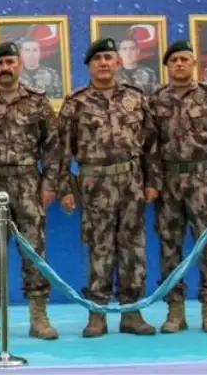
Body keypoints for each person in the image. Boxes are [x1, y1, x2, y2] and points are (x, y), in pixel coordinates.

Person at [58, 38, 158, 337]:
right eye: (97, 58)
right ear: (89, 65)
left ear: (118, 63)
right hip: (94, 183)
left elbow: (151, 145)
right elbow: (61, 150)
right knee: (98, 247)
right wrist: (64, 187)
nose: (103, 63)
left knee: (133, 248)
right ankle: (97, 314)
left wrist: (152, 182)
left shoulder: (137, 98)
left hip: (131, 181)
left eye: (108, 58)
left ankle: (132, 312)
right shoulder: (75, 102)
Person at [0, 42, 60, 341]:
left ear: (20, 65)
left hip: (28, 182)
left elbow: (53, 144)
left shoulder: (37, 101)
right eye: (0, 63)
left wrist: (49, 182)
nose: (6, 68)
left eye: (10, 62)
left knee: (34, 250)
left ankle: (38, 315)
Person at [147, 39, 207, 334]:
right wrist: (153, 182)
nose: (180, 64)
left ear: (194, 63)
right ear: (168, 67)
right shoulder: (156, 99)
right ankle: (175, 309)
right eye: (174, 61)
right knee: (169, 245)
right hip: (169, 181)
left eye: (185, 59)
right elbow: (149, 146)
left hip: (204, 179)